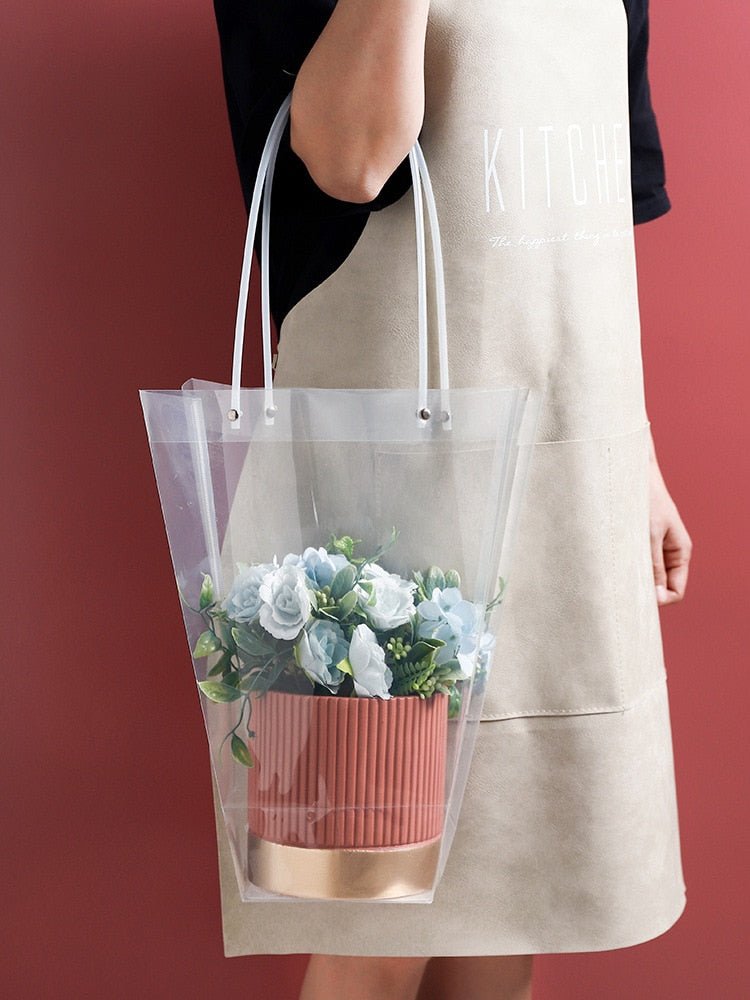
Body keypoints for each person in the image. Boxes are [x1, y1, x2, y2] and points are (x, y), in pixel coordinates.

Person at [209, 2, 693, 998]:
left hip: (564, 471)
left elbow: (602, 208)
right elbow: (353, 159)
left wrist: (634, 455)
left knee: (510, 907)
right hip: (369, 505)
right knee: (368, 917)